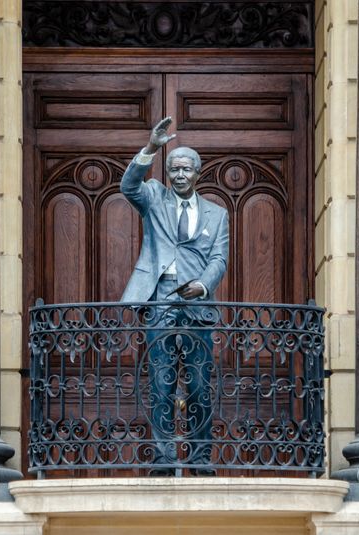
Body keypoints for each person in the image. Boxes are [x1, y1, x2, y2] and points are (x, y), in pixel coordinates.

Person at [120, 116, 229, 476]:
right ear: (167, 173)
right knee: (161, 384)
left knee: (198, 387)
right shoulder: (153, 197)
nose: (180, 175)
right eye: (174, 169)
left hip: (198, 306)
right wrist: (151, 147)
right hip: (160, 302)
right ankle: (164, 459)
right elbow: (128, 185)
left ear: (198, 173)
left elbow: (219, 258)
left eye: (186, 169)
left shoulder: (217, 214)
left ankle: (200, 459)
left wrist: (204, 285)